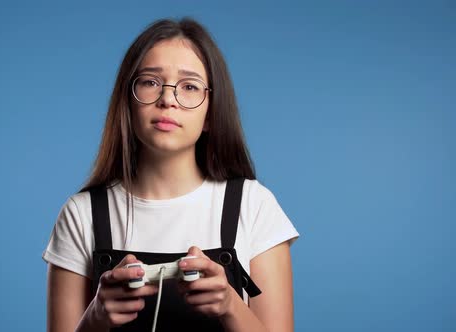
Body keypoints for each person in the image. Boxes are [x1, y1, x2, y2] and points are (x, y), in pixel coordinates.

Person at [43, 17, 300, 332]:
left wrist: (231, 305)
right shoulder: (81, 214)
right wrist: (96, 317)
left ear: (211, 112)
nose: (167, 100)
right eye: (150, 82)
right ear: (128, 101)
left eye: (189, 86)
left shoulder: (254, 206)